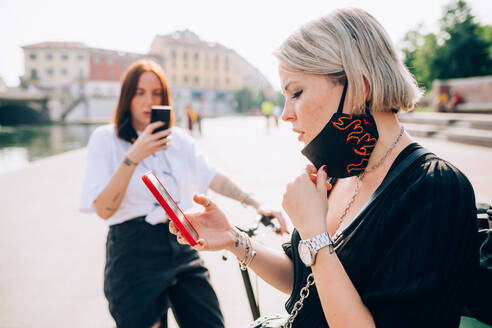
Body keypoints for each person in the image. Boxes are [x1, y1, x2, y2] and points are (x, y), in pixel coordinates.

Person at [169, 8, 479, 328]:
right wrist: (232, 239)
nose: (285, 113)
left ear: (360, 85)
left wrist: (316, 234)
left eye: (296, 92)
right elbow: (303, 280)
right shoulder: (338, 174)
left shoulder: (435, 189)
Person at [79, 59, 287, 328]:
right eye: (139, 93)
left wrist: (256, 204)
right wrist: (134, 156)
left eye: (156, 94)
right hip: (133, 249)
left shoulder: (178, 140)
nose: (148, 102)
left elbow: (212, 176)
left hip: (180, 240)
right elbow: (103, 209)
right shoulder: (106, 139)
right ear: (126, 97)